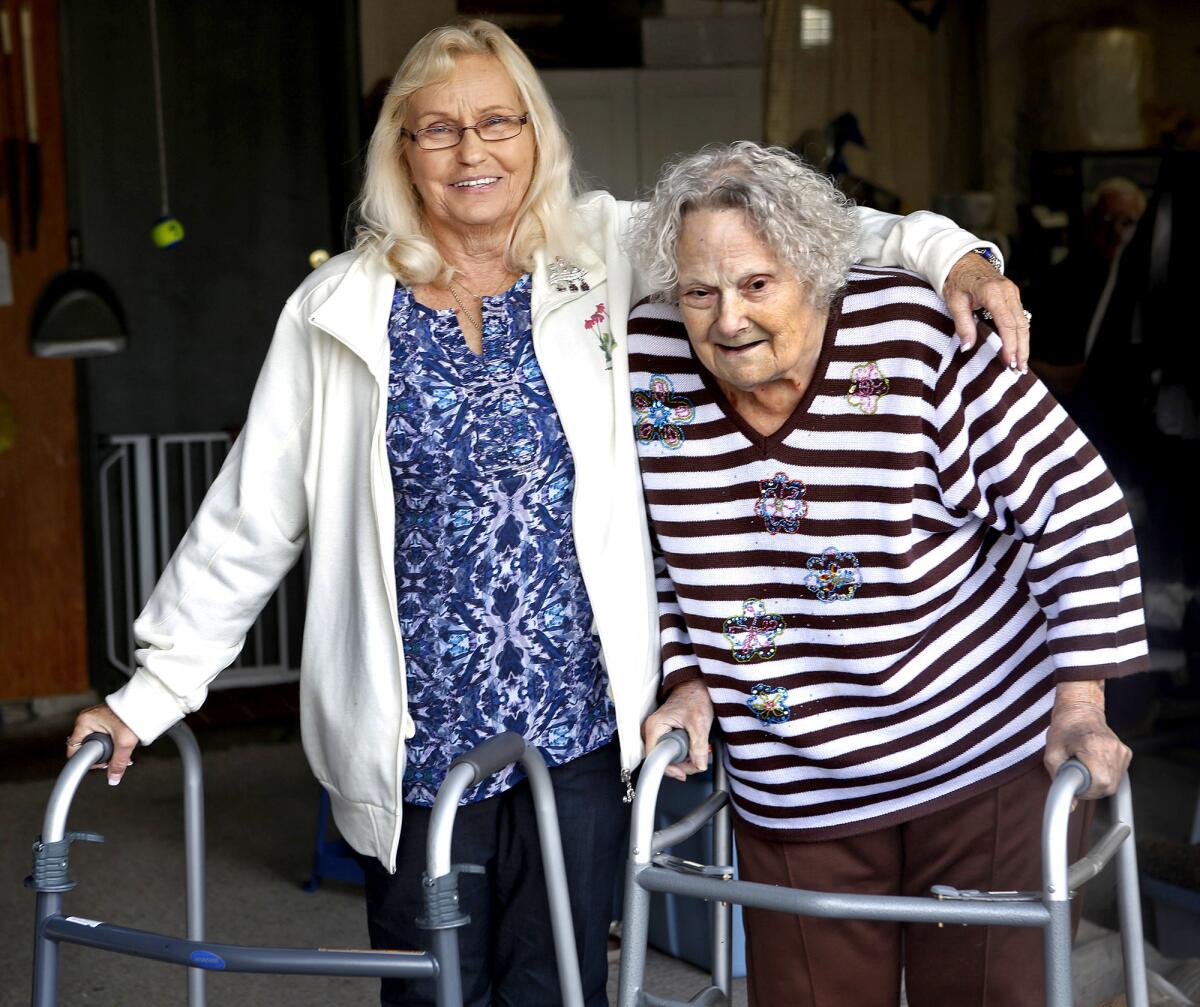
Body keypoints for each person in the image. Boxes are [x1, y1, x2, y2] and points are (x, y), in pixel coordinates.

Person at [66, 21, 1033, 1007]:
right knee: (430, 986)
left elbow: (785, 228)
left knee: (558, 981)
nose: (472, 151)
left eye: (498, 121)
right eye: (437, 128)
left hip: (576, 728)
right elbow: (248, 518)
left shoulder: (605, 249)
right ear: (401, 149)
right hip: (414, 739)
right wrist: (153, 691)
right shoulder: (335, 309)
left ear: (537, 135)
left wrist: (949, 255)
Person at [630, 142, 1146, 1007]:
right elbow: (654, 548)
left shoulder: (912, 335)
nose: (726, 321)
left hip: (985, 750)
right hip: (792, 774)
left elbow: (1080, 508)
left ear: (820, 272)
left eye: (757, 284)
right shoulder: (648, 354)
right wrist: (687, 677)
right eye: (699, 292)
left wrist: (1081, 703)